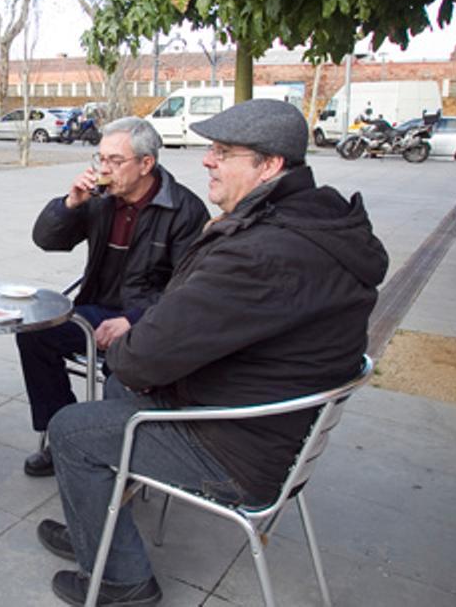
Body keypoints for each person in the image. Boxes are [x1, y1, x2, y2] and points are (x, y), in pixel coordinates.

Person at [36, 99, 389, 606]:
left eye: (223, 152)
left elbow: (142, 357)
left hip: (236, 447)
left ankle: (122, 581)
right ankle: (98, 525)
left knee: (73, 428)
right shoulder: (317, 223)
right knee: (114, 387)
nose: (207, 161)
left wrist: (142, 332)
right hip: (274, 422)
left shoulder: (258, 250)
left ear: (269, 166)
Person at [15, 116, 208, 477]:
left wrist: (133, 321)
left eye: (115, 161)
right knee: (33, 331)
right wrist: (70, 204)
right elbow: (46, 240)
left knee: (121, 370)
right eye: (100, 159)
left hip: (149, 323)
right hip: (96, 312)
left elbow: (188, 290)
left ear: (146, 164)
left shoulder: (184, 210)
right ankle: (61, 435)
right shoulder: (101, 199)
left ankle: (111, 462)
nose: (104, 169)